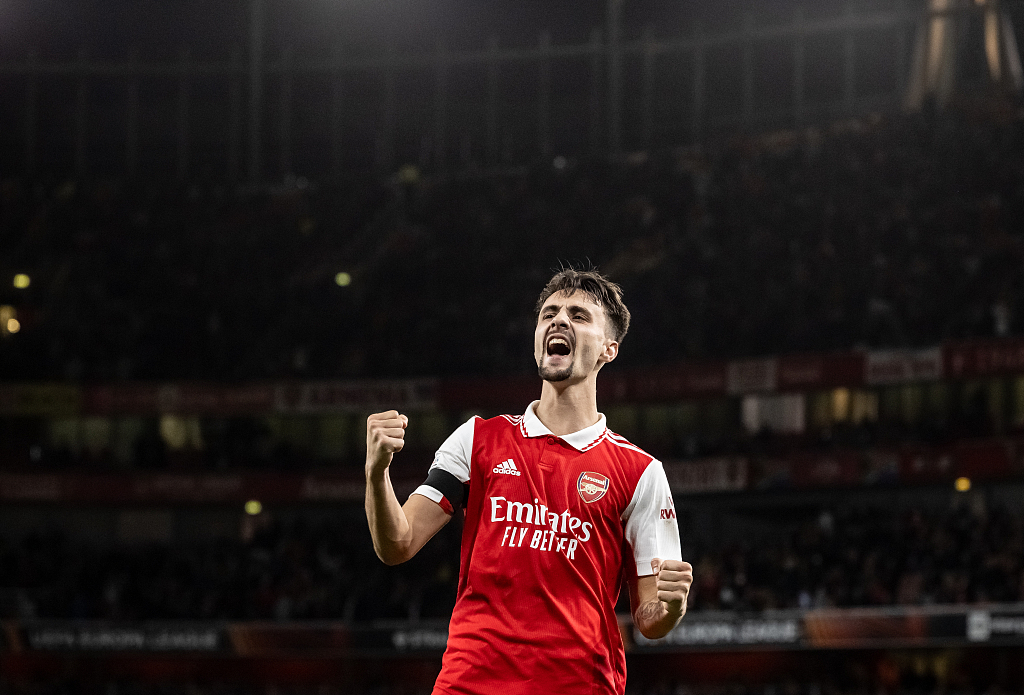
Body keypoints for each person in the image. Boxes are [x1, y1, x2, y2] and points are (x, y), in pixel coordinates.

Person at [365, 268, 692, 695]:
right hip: (470, 684)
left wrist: (671, 606)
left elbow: (650, 620)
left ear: (608, 350)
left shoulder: (641, 472)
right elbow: (398, 544)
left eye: (578, 315)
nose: (558, 320)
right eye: (550, 313)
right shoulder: (478, 439)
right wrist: (376, 474)